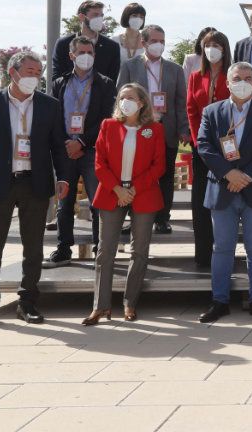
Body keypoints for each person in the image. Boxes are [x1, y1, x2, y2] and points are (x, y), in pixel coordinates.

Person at [0, 52, 69, 331]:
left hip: (34, 183)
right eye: (30, 70)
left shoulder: (49, 105)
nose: (34, 76)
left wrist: (64, 178)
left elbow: (58, 146)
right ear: (13, 72)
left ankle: (28, 303)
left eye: (38, 71)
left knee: (33, 247)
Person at [197, 63, 252, 323]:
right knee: (222, 248)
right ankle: (219, 301)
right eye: (238, 78)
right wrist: (229, 173)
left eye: (248, 78)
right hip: (222, 190)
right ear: (228, 82)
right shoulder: (211, 111)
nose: (243, 81)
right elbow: (204, 145)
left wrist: (246, 176)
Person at [85, 83, 166, 325]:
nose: (125, 101)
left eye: (130, 97)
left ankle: (130, 303)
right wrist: (118, 188)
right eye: (122, 97)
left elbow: (159, 165)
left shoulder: (155, 129)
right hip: (112, 192)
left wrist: (133, 190)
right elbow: (99, 162)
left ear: (141, 102)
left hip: (143, 193)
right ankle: (100, 307)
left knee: (139, 251)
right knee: (104, 251)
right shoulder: (108, 126)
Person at [44, 36, 117, 267]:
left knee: (97, 201)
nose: (87, 56)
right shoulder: (59, 83)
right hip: (65, 150)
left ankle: (100, 248)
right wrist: (66, 143)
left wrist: (82, 142)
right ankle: (63, 249)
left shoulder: (105, 83)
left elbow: (107, 118)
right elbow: (53, 117)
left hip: (92, 150)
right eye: (82, 51)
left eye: (91, 52)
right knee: (65, 203)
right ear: (72, 55)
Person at [117, 24, 189, 234]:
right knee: (136, 174)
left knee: (165, 176)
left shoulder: (175, 69)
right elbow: (121, 98)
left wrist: (184, 128)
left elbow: (180, 101)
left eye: (162, 41)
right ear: (143, 42)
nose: (159, 45)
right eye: (154, 40)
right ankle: (135, 217)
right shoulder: (130, 66)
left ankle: (162, 218)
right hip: (138, 128)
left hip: (167, 129)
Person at [186, 30, 231, 267]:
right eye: (207, 45)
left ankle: (224, 255)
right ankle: (202, 255)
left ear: (224, 48)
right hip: (201, 147)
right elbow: (191, 110)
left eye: (216, 45)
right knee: (199, 201)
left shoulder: (232, 75)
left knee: (225, 201)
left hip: (227, 147)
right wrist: (198, 141)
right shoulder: (195, 76)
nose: (212, 49)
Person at [53, 0, 121, 81]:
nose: (99, 19)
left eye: (101, 16)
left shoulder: (112, 47)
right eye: (95, 15)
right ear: (82, 17)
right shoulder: (63, 44)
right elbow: (56, 77)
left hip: (100, 93)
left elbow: (112, 81)